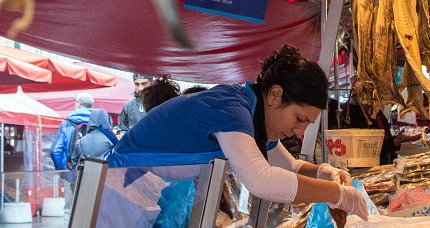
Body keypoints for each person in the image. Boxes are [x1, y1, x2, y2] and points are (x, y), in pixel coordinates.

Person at [110, 46, 369, 219]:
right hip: (121, 189)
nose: (298, 132)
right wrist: (336, 194)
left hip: (153, 195)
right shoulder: (231, 108)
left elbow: (289, 166)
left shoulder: (256, 114)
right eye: (299, 119)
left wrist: (325, 172)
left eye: (307, 125)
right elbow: (262, 181)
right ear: (275, 94)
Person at [51, 93, 114, 172]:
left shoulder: (67, 123)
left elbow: (56, 151)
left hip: (74, 171)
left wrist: (63, 171)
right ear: (92, 105)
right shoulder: (101, 122)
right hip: (100, 172)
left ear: (78, 104)